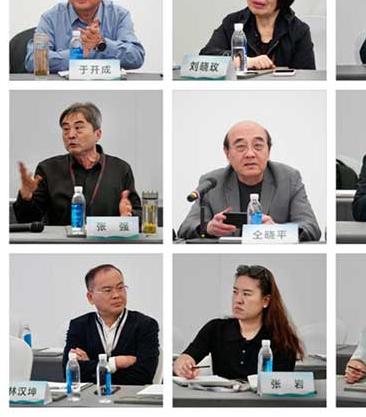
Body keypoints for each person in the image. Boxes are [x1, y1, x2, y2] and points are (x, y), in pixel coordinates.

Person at [177, 120, 321, 241]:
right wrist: (208, 228)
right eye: (241, 147)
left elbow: (311, 227)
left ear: (269, 151)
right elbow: (186, 227)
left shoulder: (289, 179)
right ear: (227, 153)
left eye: (258, 146)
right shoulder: (212, 182)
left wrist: (277, 230)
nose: (250, 154)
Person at [13, 102, 141, 225]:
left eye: (78, 128)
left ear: (97, 134)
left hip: (106, 239)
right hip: (60, 240)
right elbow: (27, 220)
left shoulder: (120, 169)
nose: (71, 135)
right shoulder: (48, 169)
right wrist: (26, 197)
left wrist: (129, 216)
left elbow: (139, 215)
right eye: (66, 129)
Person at [174, 265, 303, 380]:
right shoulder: (216, 328)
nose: (238, 300)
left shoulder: (282, 339)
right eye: (235, 292)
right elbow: (186, 357)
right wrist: (183, 366)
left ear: (265, 300)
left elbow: (280, 386)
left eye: (246, 294)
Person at [25, 0, 145, 73]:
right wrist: (79, 52)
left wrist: (102, 44)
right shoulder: (51, 18)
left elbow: (136, 57)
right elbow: (33, 61)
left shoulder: (119, 15)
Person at [200, 0, 316, 70]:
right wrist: (244, 61)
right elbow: (206, 57)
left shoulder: (298, 31)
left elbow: (307, 77)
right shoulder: (233, 22)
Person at [63, 264, 159, 385]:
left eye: (120, 288)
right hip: (90, 395)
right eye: (108, 290)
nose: (116, 295)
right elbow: (70, 372)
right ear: (91, 297)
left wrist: (91, 366)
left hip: (130, 395)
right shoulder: (79, 326)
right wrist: (116, 363)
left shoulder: (145, 325)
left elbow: (142, 376)